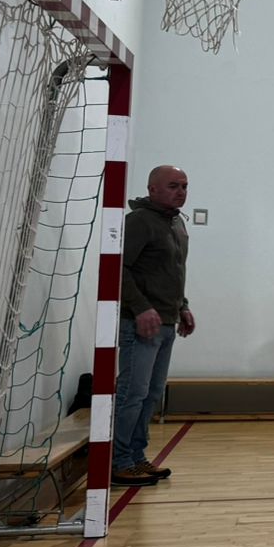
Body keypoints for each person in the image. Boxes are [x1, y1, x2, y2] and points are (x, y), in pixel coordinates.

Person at [113, 164, 194, 487]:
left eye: (184, 186)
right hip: (140, 324)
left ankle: (136, 457)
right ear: (152, 189)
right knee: (132, 393)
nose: (181, 192)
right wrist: (141, 308)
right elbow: (118, 268)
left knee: (151, 394)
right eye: (173, 186)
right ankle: (118, 462)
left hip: (166, 322)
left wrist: (182, 306)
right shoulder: (139, 221)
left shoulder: (176, 223)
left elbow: (172, 272)